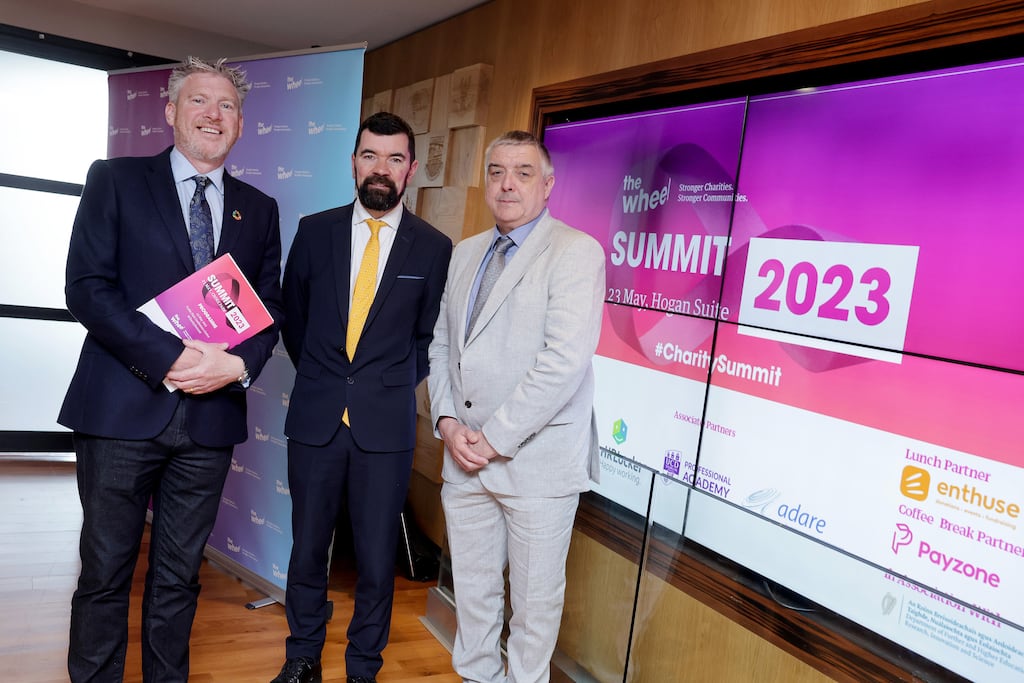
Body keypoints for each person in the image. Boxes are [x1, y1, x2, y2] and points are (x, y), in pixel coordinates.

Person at [59, 56, 284, 682]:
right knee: (105, 573)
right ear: (170, 112)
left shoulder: (259, 209)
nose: (213, 115)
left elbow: (267, 313)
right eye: (199, 102)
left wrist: (235, 367)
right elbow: (87, 289)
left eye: (227, 107)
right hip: (120, 412)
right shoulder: (116, 180)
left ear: (241, 124)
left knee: (179, 578)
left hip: (209, 421)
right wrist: (171, 358)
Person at [272, 112, 452, 683]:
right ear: (353, 162)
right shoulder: (314, 230)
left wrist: (386, 382)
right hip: (316, 418)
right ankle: (301, 660)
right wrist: (330, 379)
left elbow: (429, 338)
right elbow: (293, 319)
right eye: (370, 156)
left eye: (394, 159)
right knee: (307, 553)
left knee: (377, 562)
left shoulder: (432, 248)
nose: (381, 169)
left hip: (385, 426)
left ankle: (362, 670)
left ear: (411, 169)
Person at [427, 130, 605, 683]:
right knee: (474, 599)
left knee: (533, 610)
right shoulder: (465, 253)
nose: (508, 184)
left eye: (523, 173)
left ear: (547, 185)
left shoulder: (576, 252)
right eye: (498, 171)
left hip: (535, 464)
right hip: (464, 459)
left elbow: (562, 363)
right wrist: (448, 421)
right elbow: (440, 345)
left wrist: (494, 437)